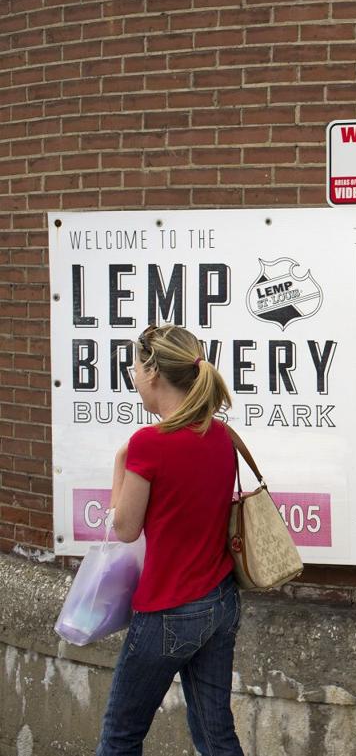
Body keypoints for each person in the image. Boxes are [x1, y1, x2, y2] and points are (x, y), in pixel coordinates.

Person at [97, 324, 244, 756]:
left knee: (120, 736)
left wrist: (121, 461)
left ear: (153, 373)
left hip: (167, 611)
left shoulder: (148, 444)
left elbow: (124, 529)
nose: (134, 377)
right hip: (220, 602)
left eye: (135, 369)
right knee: (216, 736)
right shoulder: (220, 435)